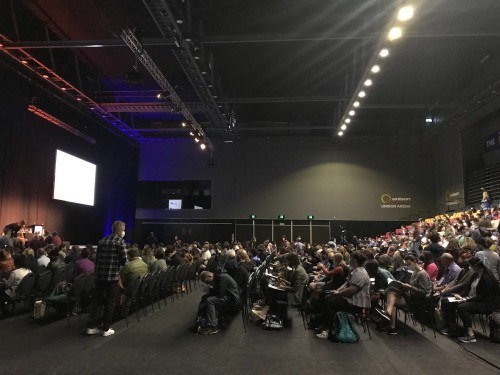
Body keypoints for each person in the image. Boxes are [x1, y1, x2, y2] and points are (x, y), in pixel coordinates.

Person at [441, 257, 499, 342]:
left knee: (462, 307)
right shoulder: (475, 274)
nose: (470, 268)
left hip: (483, 303)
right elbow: (467, 288)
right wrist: (460, 295)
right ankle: (452, 328)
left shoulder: (487, 278)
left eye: (471, 266)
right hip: (471, 299)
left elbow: (483, 296)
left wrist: (466, 299)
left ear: (476, 266)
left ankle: (470, 334)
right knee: (446, 301)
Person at [316, 251, 371, 338]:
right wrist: (337, 290)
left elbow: (351, 290)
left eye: (351, 258)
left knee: (329, 302)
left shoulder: (360, 273)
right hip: (351, 299)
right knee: (325, 297)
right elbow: (346, 284)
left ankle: (329, 330)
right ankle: (325, 325)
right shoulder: (355, 270)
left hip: (356, 304)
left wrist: (337, 294)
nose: (349, 260)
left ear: (355, 260)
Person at [86, 221, 127, 337]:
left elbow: (96, 259)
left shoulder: (102, 241)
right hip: (112, 277)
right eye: (123, 229)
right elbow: (125, 261)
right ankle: (105, 328)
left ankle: (91, 327)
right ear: (119, 230)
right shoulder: (120, 241)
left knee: (97, 301)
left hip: (99, 276)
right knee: (110, 302)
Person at [376, 255, 432, 335]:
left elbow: (425, 292)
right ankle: (391, 326)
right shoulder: (415, 272)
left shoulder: (422, 274)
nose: (408, 267)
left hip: (417, 301)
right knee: (391, 294)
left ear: (415, 262)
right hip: (410, 296)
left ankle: (389, 319)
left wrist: (410, 287)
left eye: (409, 265)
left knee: (391, 299)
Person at [197, 270, 241, 335]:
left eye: (206, 281)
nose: (207, 283)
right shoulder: (218, 276)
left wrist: (209, 290)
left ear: (210, 276)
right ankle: (203, 317)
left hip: (233, 298)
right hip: (230, 295)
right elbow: (219, 291)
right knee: (205, 297)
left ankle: (213, 326)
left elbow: (220, 294)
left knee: (209, 300)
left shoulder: (222, 277)